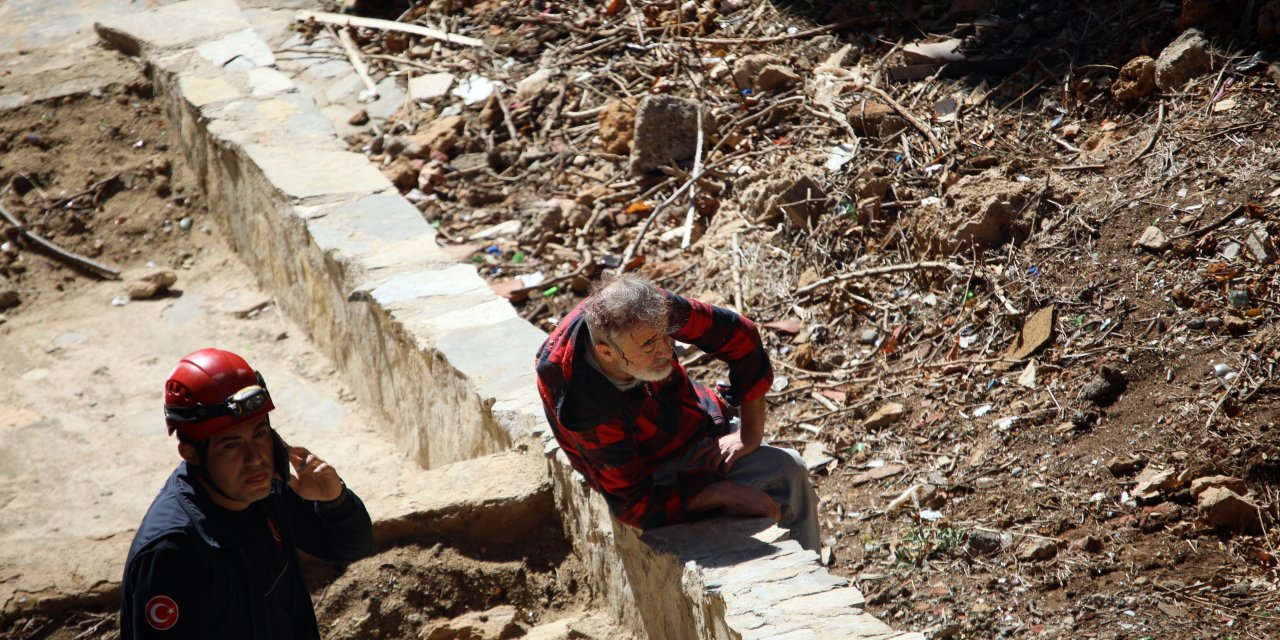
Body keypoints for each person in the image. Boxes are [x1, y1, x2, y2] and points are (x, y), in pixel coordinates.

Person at [535, 273, 820, 552]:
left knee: (790, 468)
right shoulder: (585, 404)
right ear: (606, 353)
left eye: (666, 335)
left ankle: (812, 575)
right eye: (649, 344)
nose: (666, 351)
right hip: (652, 472)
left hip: (695, 424)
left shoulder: (647, 309)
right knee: (745, 513)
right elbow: (634, 505)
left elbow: (739, 335)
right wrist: (719, 494)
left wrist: (750, 434)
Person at [120, 348, 374, 639]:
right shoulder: (172, 552)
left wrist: (335, 501)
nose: (255, 458)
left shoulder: (266, 491)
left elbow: (350, 547)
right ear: (191, 453)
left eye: (260, 434)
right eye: (231, 445)